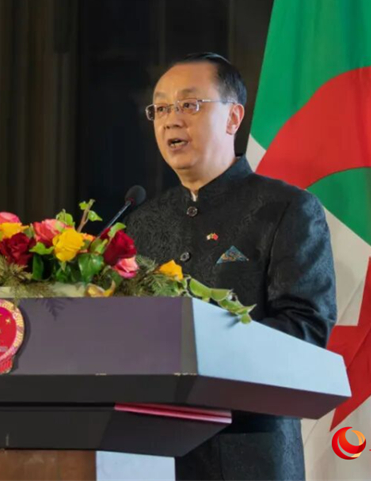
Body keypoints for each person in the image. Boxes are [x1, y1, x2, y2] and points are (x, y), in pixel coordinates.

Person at [125, 52, 337, 481]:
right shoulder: (142, 221)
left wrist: (204, 341)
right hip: (151, 458)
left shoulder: (286, 209)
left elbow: (306, 330)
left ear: (233, 117)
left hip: (248, 458)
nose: (171, 120)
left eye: (189, 104)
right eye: (160, 109)